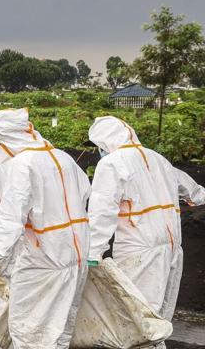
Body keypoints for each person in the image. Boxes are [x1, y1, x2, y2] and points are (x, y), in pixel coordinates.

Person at [0, 108, 90, 348]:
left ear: (4, 137)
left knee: (27, 330)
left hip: (44, 259)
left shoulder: (23, 164)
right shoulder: (62, 157)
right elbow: (85, 193)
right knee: (60, 329)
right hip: (76, 253)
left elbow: (11, 218)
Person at [86, 116, 205, 326]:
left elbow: (103, 210)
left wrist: (93, 251)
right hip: (171, 246)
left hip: (139, 250)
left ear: (104, 143)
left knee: (138, 317)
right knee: (159, 316)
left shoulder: (111, 163)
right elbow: (193, 192)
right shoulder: (157, 158)